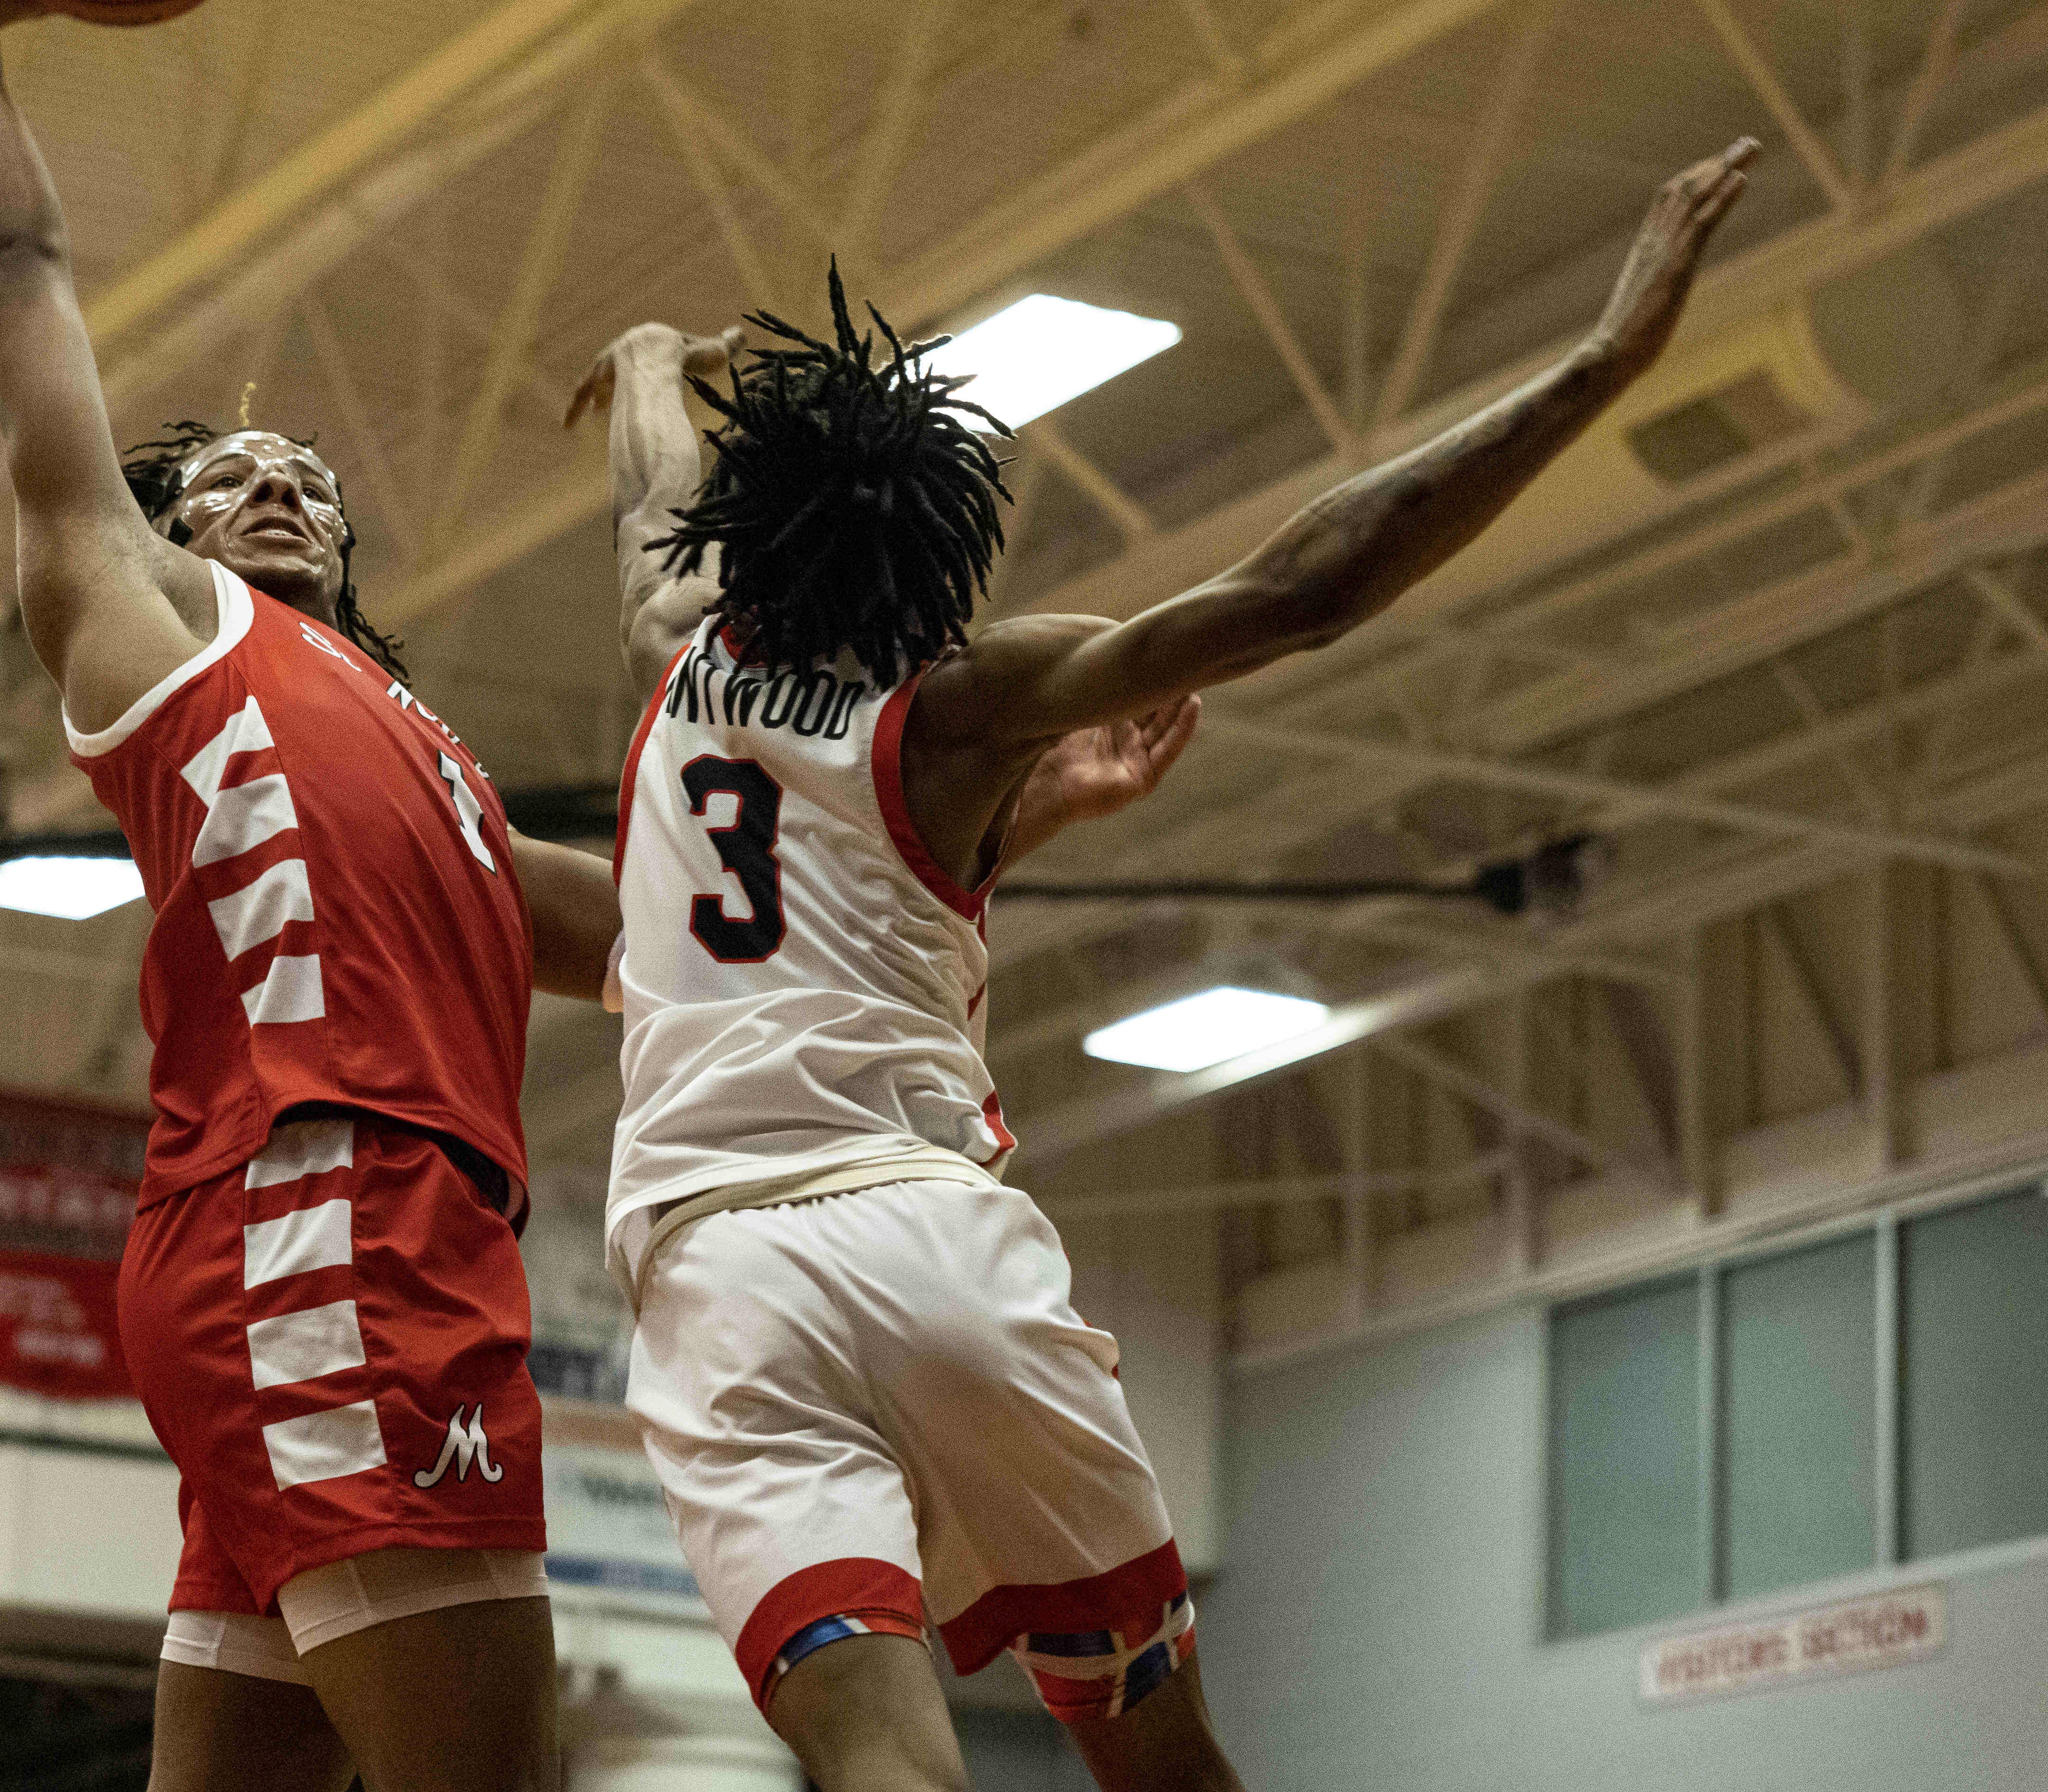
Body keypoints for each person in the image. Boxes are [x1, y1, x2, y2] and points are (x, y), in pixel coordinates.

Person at [0, 0, 1218, 1792]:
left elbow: (690, 932)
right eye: (225, 473)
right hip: (330, 1217)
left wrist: (1016, 819)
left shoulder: (416, 750)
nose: (272, 480)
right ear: (166, 529)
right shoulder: (154, 631)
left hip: (353, 1234)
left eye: (305, 468)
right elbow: (18, 270)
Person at [574, 137, 1762, 1792]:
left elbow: (650, 518)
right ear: (934, 568)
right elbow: (1306, 587)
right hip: (929, 1238)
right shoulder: (960, 706)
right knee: (1165, 1763)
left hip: (716, 1269)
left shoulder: (674, 655)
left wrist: (647, 366)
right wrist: (1601, 363)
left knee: (881, 1763)